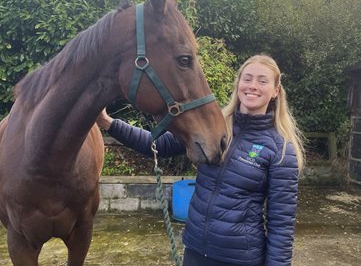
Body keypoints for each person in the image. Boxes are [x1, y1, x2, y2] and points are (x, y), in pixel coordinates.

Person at [97, 54, 305, 266]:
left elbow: (281, 225)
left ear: (275, 91)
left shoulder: (281, 149)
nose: (253, 86)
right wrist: (108, 123)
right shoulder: (213, 128)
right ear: (238, 83)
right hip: (195, 250)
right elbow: (158, 145)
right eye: (248, 78)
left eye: (262, 81)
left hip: (239, 259)